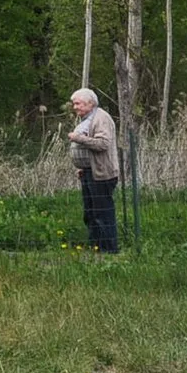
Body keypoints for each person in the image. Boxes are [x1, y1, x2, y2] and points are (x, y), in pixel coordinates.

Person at [67, 87, 121, 253]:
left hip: (102, 174)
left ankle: (108, 249)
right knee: (90, 212)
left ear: (90, 103)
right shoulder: (87, 118)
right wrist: (84, 166)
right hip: (90, 172)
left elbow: (102, 144)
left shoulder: (101, 118)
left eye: (78, 104)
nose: (75, 107)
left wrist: (78, 138)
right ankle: (96, 245)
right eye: (74, 104)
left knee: (102, 213)